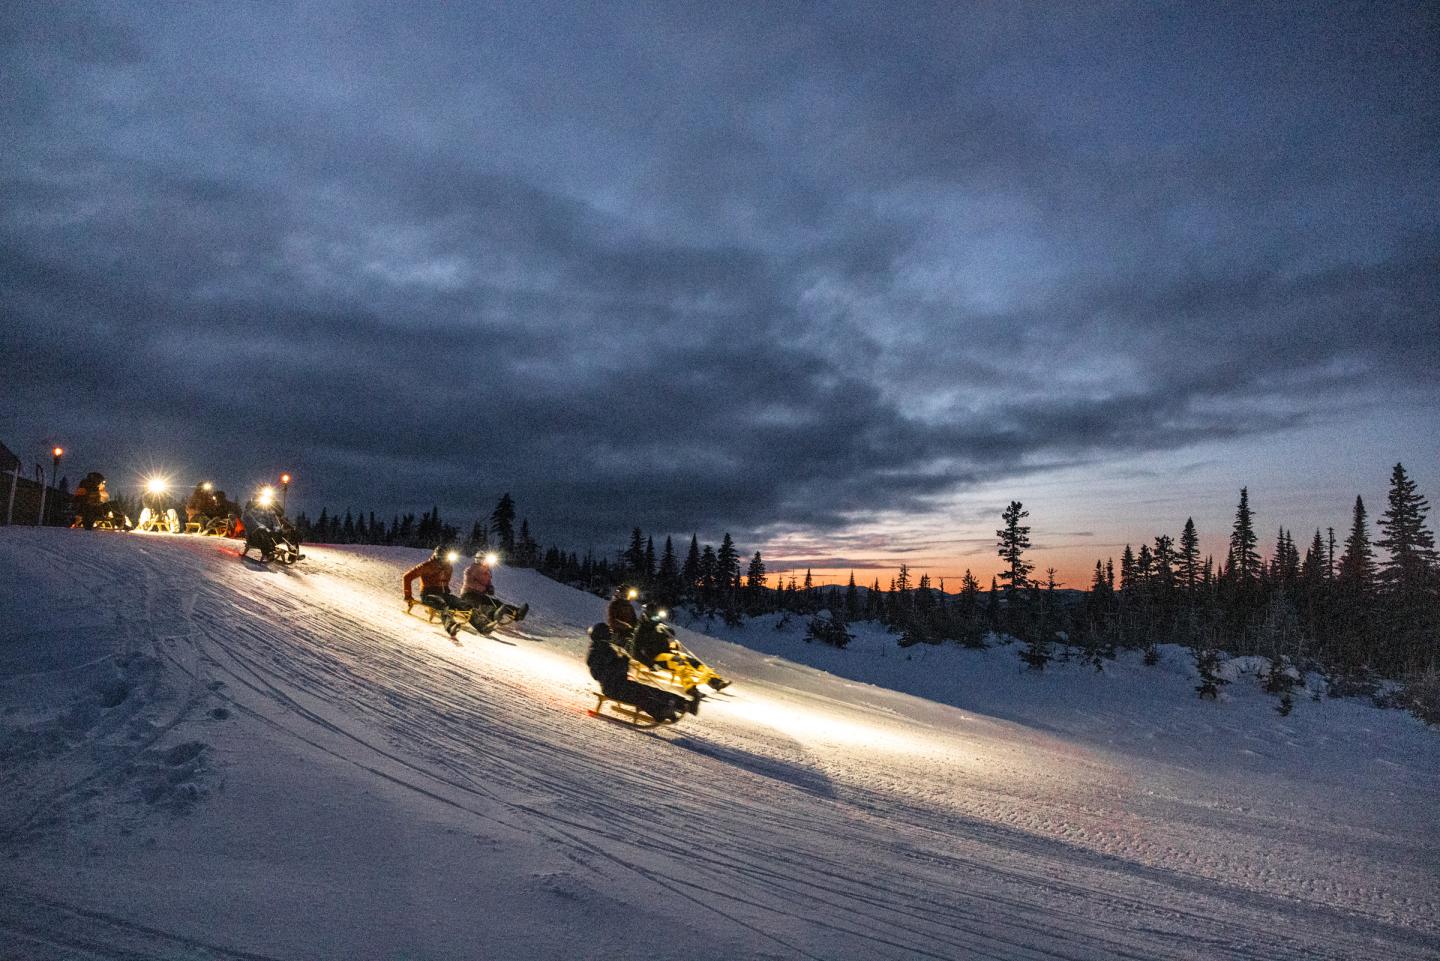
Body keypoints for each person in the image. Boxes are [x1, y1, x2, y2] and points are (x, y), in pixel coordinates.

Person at [586, 624, 699, 723]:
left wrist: (623, 663)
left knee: (650, 690)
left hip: (622, 683)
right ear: (601, 636)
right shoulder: (594, 654)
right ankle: (661, 711)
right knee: (641, 695)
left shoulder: (606, 649)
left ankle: (683, 704)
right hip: (612, 688)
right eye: (608, 634)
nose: (610, 636)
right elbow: (599, 674)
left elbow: (617, 666)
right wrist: (622, 664)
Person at [403, 544, 467, 635]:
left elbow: (445, 581)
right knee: (441, 602)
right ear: (438, 557)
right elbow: (407, 577)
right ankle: (450, 625)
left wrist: (446, 589)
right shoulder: (426, 566)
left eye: (446, 559)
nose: (445, 561)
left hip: (442, 593)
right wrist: (408, 596)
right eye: (443, 559)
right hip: (428, 594)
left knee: (460, 602)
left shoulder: (449, 567)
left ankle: (482, 624)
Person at [457, 552, 528, 633]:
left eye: (485, 560)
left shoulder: (486, 571)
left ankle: (517, 613)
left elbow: (488, 583)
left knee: (497, 603)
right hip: (468, 594)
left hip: (481, 595)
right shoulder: (469, 569)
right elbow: (470, 583)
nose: (485, 561)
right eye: (483, 559)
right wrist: (484, 588)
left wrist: (490, 588)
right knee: (483, 605)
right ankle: (493, 614)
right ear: (478, 560)